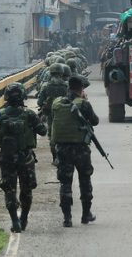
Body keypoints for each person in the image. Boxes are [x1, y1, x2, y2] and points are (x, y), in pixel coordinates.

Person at [0, 82, 47, 233]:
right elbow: (43, 131)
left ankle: (15, 222)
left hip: (7, 159)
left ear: (6, 97)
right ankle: (24, 219)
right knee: (26, 191)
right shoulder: (29, 114)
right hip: (26, 159)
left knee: (9, 190)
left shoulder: (0, 115)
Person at [51, 76, 100, 227]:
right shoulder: (83, 104)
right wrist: (85, 100)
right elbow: (95, 121)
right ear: (81, 89)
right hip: (81, 149)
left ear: (68, 88)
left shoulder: (57, 103)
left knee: (65, 183)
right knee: (85, 180)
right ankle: (86, 215)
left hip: (63, 149)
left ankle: (67, 218)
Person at [37, 63, 69, 163]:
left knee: (52, 135)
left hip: (51, 114)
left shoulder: (46, 86)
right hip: (65, 114)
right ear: (61, 72)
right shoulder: (66, 85)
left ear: (50, 73)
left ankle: (55, 158)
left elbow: (39, 102)